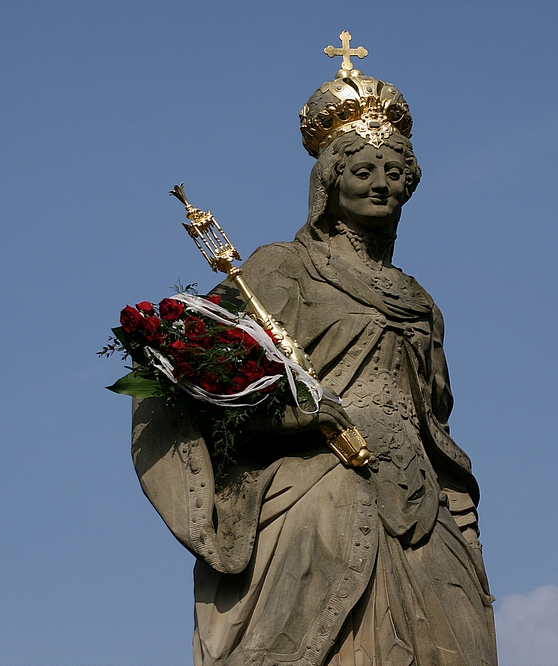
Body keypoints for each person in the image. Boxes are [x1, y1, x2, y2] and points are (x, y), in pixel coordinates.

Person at [131, 47, 497, 666]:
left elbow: (434, 414)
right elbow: (208, 381)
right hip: (315, 488)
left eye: (394, 170)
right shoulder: (282, 269)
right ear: (329, 181)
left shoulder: (421, 300)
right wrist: (304, 416)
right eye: (364, 170)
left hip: (420, 498)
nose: (382, 182)